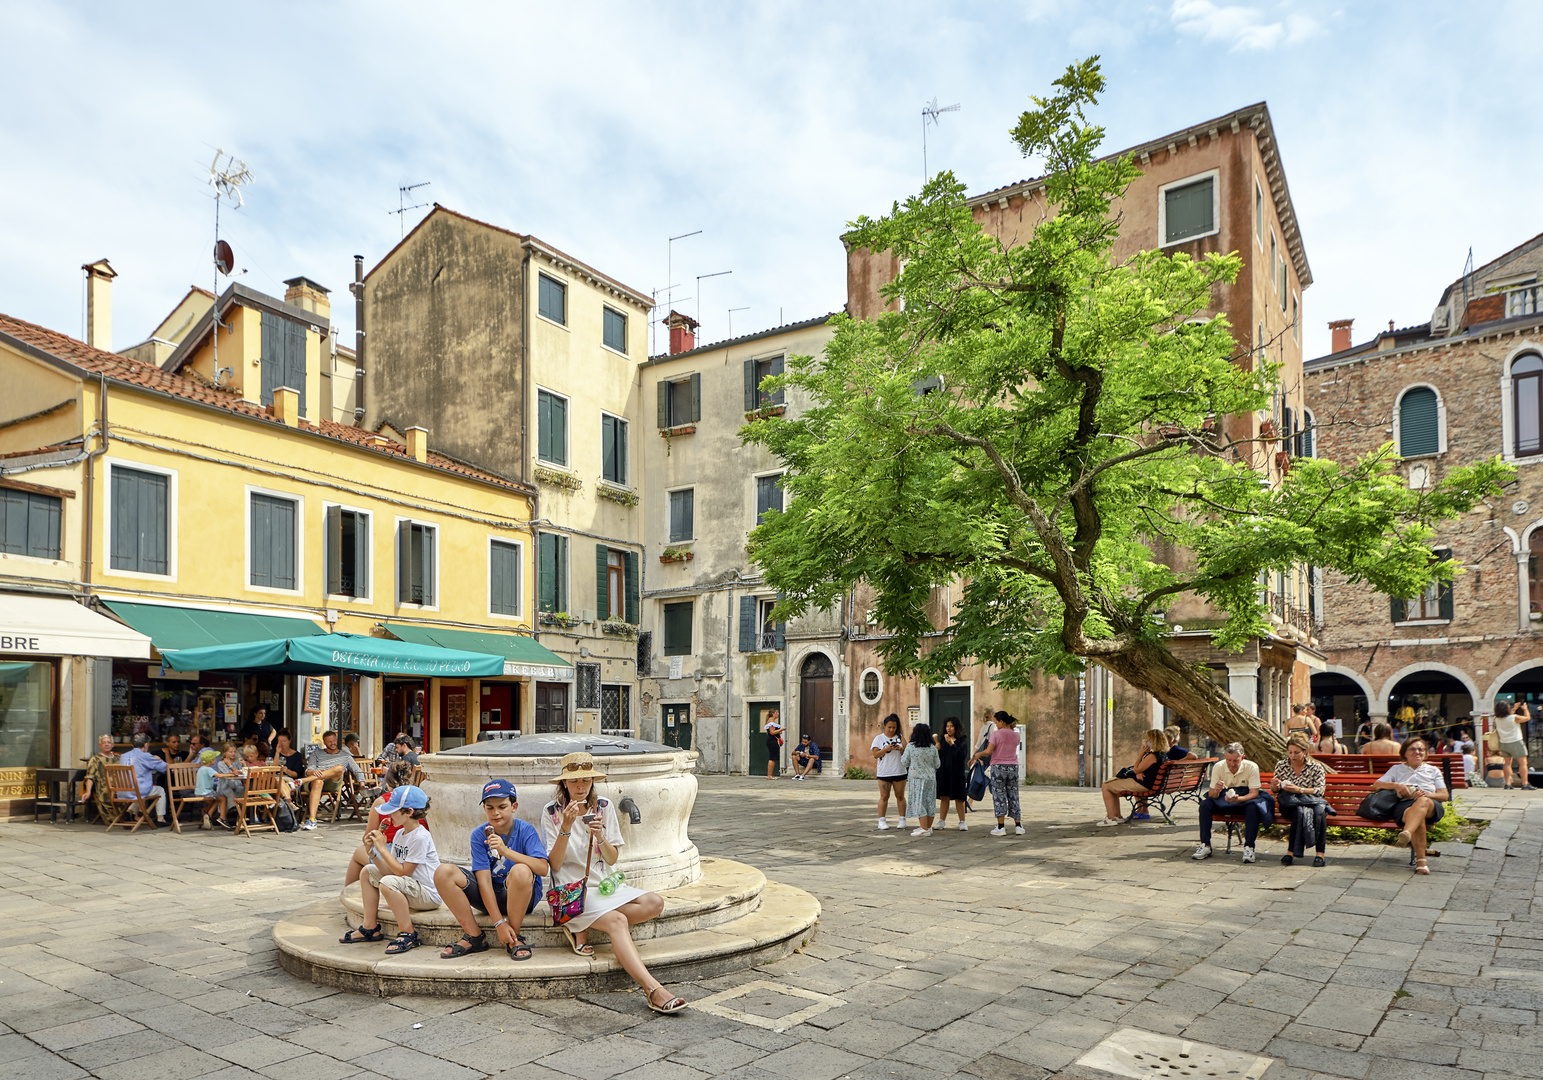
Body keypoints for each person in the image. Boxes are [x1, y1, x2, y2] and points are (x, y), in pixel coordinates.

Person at [538, 752, 685, 1014]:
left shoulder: (603, 807)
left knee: (654, 903)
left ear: (593, 781)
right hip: (572, 892)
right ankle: (652, 989)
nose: (580, 787)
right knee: (617, 921)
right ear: (564, 785)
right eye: (574, 782)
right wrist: (567, 827)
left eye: (585, 780)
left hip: (603, 886)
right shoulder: (551, 813)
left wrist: (600, 836)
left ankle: (580, 926)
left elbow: (613, 860)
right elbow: (555, 865)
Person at [434, 779, 548, 961]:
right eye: (490, 807)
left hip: (520, 896)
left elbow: (543, 868)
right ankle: (474, 936)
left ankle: (514, 936)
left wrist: (505, 851)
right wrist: (498, 923)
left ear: (514, 806)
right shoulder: (480, 834)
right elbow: (484, 881)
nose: (496, 813)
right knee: (443, 872)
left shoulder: (525, 830)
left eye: (502, 806)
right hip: (490, 895)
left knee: (521, 871)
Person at [339, 785, 441, 953]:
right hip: (409, 887)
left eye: (393, 811)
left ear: (408, 812)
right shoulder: (401, 834)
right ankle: (370, 926)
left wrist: (383, 848)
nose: (388, 815)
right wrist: (371, 852)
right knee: (367, 871)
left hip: (427, 895)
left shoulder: (420, 837)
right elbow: (391, 870)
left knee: (387, 882)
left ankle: (408, 933)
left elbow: (402, 872)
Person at [1370, 737, 1449, 873]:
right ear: (1404, 753)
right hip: (1405, 806)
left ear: (1425, 753)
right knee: (1418, 818)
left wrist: (1426, 794)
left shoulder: (1433, 770)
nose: (1417, 752)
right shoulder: (1396, 769)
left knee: (1422, 802)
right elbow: (1376, 785)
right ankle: (1421, 862)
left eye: (1421, 749)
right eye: (1412, 749)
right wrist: (1396, 785)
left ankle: (1407, 833)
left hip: (1431, 804)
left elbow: (1444, 795)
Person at [1192, 742, 1272, 863]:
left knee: (1253, 808)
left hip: (1243, 799)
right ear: (1225, 757)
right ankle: (1205, 845)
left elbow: (1254, 793)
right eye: (1229, 760)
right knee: (1205, 805)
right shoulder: (1218, 767)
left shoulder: (1251, 767)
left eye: (1236, 760)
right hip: (1223, 800)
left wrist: (1238, 799)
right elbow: (1212, 794)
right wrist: (1217, 790)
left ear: (1243, 758)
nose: (1232, 764)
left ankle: (1249, 847)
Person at [344, 762, 418, 888]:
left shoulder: (382, 802)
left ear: (388, 784)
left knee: (359, 852)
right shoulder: (419, 799)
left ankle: (348, 893)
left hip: (395, 851)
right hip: (413, 848)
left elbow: (368, 837)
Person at [1272, 735, 1329, 867]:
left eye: (1297, 752)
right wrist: (1274, 785)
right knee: (1299, 811)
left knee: (1320, 812)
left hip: (1311, 801)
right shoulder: (1281, 765)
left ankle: (1320, 854)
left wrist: (1300, 790)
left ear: (1305, 752)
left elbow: (1320, 790)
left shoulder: (1316, 767)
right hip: (1290, 803)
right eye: (1290, 752)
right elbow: (1276, 790)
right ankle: (1290, 852)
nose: (1293, 756)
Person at [1096, 728, 1170, 828]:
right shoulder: (1163, 755)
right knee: (1113, 786)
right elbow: (1145, 770)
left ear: (1153, 741)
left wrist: (1141, 755)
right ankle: (1117, 816)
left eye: (1147, 740)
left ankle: (1111, 818)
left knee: (1106, 786)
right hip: (1151, 783)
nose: (1146, 742)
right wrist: (1139, 772)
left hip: (1143, 784)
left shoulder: (1153, 756)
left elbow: (1136, 769)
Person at [300, 729, 366, 830]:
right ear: (325, 743)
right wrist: (314, 773)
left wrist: (362, 785)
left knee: (339, 768)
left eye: (334, 740)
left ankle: (302, 780)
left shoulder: (345, 756)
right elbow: (309, 770)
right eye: (329, 742)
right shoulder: (316, 753)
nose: (333, 743)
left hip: (333, 782)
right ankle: (312, 819)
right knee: (318, 781)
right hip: (315, 781)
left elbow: (358, 771)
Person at [973, 711, 1024, 836]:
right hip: (1013, 767)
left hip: (998, 767)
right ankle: (1018, 825)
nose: (996, 724)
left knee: (999, 796)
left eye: (996, 721)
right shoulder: (1016, 735)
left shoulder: (996, 735)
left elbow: (989, 751)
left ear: (1001, 721)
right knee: (1013, 795)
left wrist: (978, 754)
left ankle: (1001, 827)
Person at [1133, 725, 1194, 820]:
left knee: (1140, 782)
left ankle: (1143, 810)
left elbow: (1193, 756)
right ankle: (1142, 810)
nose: (1164, 741)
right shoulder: (1162, 753)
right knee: (1141, 779)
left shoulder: (1174, 750)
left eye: (1166, 739)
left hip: (1165, 782)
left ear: (1172, 741)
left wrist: (1175, 763)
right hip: (1168, 781)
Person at [118, 733, 170, 826]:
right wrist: (159, 759)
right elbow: (164, 768)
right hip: (138, 791)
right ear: (146, 744)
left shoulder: (123, 756)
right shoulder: (145, 756)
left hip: (123, 791)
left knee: (140, 790)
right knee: (160, 790)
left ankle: (129, 811)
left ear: (132, 745)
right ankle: (160, 819)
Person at [900, 723, 940, 837]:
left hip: (916, 779)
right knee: (930, 802)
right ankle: (928, 827)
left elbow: (904, 762)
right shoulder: (932, 748)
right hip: (930, 779)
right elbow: (937, 764)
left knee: (919, 803)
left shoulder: (911, 746)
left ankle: (924, 828)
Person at [871, 714, 908, 831]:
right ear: (885, 726)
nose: (892, 730)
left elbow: (907, 754)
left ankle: (902, 819)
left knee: (900, 796)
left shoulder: (901, 738)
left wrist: (900, 748)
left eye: (894, 727)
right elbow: (875, 755)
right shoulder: (879, 739)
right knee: (884, 796)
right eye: (889, 727)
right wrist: (886, 749)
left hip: (899, 770)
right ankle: (882, 820)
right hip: (884, 772)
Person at [934, 717, 970, 830]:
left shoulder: (961, 741)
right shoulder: (942, 740)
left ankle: (962, 821)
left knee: (959, 798)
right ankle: (941, 821)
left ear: (956, 728)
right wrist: (937, 749)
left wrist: (952, 744)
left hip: (957, 773)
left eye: (951, 726)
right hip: (943, 773)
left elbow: (960, 756)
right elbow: (938, 758)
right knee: (944, 797)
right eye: (947, 726)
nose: (949, 729)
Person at [1492, 702, 1534, 790]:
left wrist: (1514, 708)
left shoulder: (1496, 719)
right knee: (1523, 763)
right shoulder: (1514, 717)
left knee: (1507, 764)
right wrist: (1525, 708)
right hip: (1516, 742)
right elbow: (1527, 718)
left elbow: (1507, 717)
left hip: (1504, 743)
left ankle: (1507, 783)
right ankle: (1525, 784)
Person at [81, 733, 119, 824]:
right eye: (104, 742)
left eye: (109, 742)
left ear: (113, 745)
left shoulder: (118, 758)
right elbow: (90, 777)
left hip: (120, 787)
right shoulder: (95, 759)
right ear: (100, 745)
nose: (106, 744)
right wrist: (88, 791)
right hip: (104, 789)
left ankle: (129, 815)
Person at [211, 743, 244, 829]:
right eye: (230, 752)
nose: (233, 753)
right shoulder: (221, 763)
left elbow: (241, 772)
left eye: (234, 751)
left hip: (236, 785)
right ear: (224, 753)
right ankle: (223, 818)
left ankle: (241, 817)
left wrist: (243, 765)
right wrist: (230, 766)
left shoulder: (238, 761)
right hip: (225, 787)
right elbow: (230, 775)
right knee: (230, 794)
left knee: (244, 791)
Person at [762, 710, 784, 779]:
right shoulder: (771, 722)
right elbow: (772, 732)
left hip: (773, 740)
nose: (778, 714)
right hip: (772, 741)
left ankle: (771, 774)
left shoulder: (771, 722)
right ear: (773, 714)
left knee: (773, 758)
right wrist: (781, 729)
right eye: (776, 713)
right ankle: (769, 775)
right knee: (772, 758)